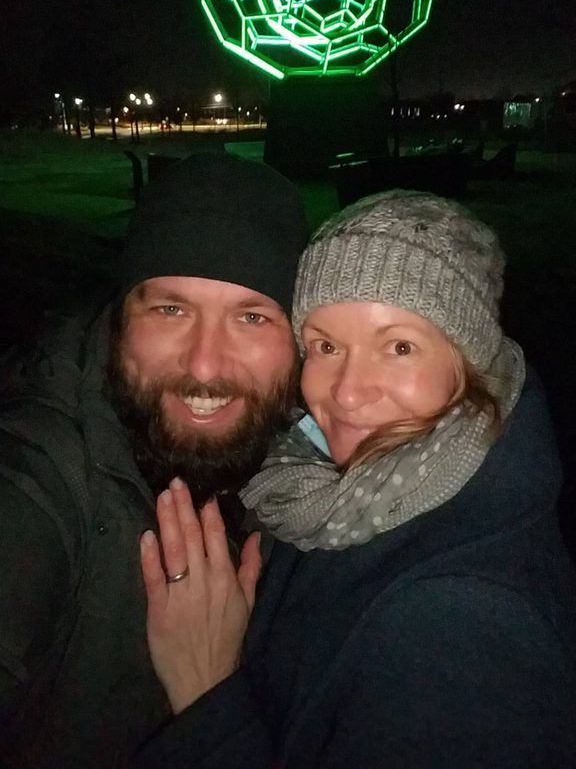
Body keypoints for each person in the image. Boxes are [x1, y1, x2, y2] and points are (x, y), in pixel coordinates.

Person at [136, 190, 576, 769]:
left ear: (471, 363)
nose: (344, 391)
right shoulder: (332, 494)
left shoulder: (462, 623)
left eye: (399, 347)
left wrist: (207, 693)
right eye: (325, 346)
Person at [0, 151, 308, 769]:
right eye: (170, 309)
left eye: (252, 317)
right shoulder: (40, 467)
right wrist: (212, 705)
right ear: (119, 322)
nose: (203, 365)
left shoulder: (321, 482)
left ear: (301, 342)